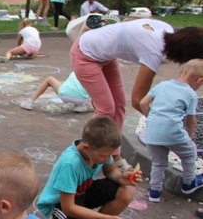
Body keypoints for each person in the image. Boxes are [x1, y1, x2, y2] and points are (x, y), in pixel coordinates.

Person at [71, 22, 203, 170]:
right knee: (106, 109)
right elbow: (137, 100)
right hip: (85, 53)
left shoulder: (168, 30)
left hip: (105, 56)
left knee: (119, 105)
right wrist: (164, 122)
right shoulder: (153, 51)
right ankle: (82, 154)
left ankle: (114, 155)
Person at [37, 116, 136, 219]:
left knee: (127, 190)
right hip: (62, 203)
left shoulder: (100, 148)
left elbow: (110, 170)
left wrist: (122, 178)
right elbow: (69, 207)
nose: (106, 158)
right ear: (86, 147)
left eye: (110, 154)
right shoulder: (70, 164)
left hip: (82, 192)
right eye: (104, 156)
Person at [139, 59, 203, 202]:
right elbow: (191, 121)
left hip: (152, 132)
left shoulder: (162, 85)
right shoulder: (190, 94)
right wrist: (190, 136)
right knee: (189, 153)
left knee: (158, 163)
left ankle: (154, 193)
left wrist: (151, 117)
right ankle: (188, 183)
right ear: (199, 80)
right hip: (173, 132)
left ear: (181, 72)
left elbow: (143, 102)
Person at [20, 71, 92, 112]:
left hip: (65, 96)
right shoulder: (95, 72)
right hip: (82, 100)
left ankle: (29, 102)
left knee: (49, 79)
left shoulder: (78, 66)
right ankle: (79, 106)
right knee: (82, 87)